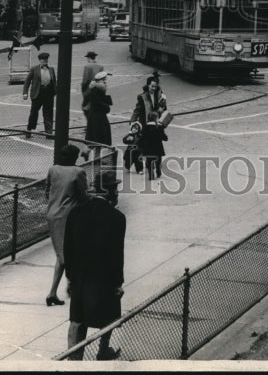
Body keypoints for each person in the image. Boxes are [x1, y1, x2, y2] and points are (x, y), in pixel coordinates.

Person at [63, 177, 125, 361]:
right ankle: (103, 350)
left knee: (77, 319)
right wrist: (118, 282)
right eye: (116, 190)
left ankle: (74, 358)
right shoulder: (117, 218)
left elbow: (68, 248)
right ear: (110, 192)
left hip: (80, 278)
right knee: (109, 316)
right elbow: (116, 254)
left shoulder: (75, 213)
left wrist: (70, 277)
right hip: (104, 278)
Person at [45, 143, 88, 307]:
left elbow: (47, 190)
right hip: (68, 216)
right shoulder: (78, 172)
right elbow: (84, 196)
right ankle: (72, 287)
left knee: (62, 256)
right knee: (66, 256)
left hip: (52, 214)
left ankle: (53, 293)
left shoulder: (53, 169)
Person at [23, 51, 57, 139]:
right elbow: (27, 81)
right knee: (34, 113)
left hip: (48, 93)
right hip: (38, 93)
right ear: (40, 60)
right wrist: (25, 93)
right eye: (43, 60)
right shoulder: (34, 69)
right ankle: (29, 130)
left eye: (46, 60)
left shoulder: (51, 69)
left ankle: (49, 132)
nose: (45, 61)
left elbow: (54, 82)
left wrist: (55, 92)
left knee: (48, 113)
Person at [83, 71, 113, 147]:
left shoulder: (97, 90)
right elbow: (102, 106)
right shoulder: (97, 91)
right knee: (100, 141)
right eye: (105, 80)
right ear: (102, 80)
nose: (106, 82)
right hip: (98, 120)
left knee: (99, 140)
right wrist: (107, 107)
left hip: (97, 119)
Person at [139, 110, 168, 181]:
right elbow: (165, 138)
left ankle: (151, 175)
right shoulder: (159, 127)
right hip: (158, 147)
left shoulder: (145, 126)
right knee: (158, 161)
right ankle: (158, 172)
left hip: (148, 148)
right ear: (156, 118)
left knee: (149, 161)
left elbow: (142, 137)